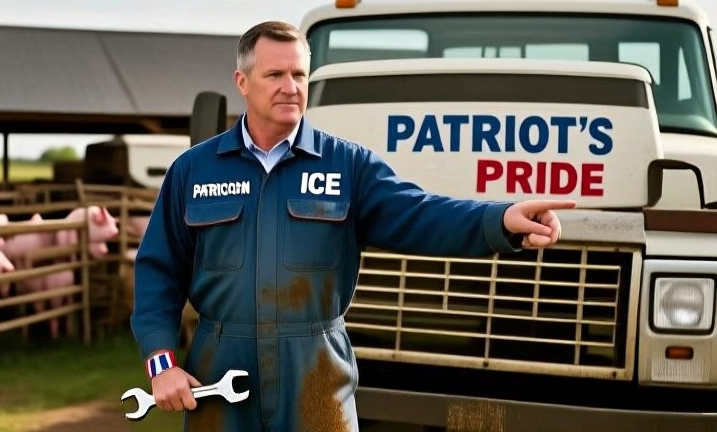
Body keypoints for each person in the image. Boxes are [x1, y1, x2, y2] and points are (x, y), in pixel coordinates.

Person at [130, 20, 576, 432]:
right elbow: (158, 273)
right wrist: (161, 364)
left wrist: (500, 220)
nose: (291, 88)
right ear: (242, 82)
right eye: (275, 76)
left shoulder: (348, 166)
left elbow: (421, 213)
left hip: (317, 371)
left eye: (300, 76)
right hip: (221, 367)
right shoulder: (193, 170)